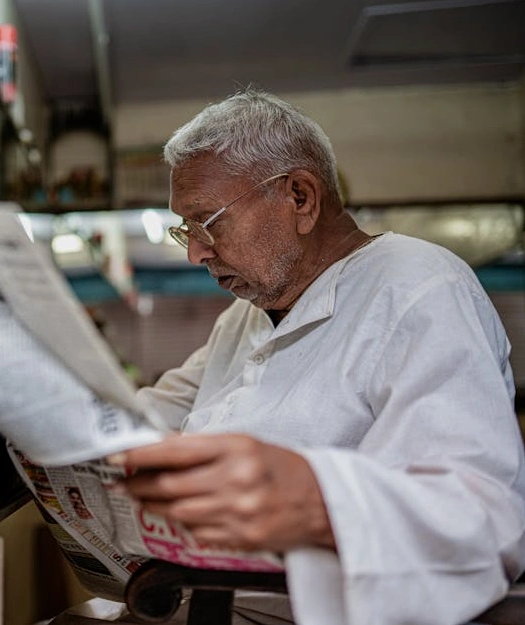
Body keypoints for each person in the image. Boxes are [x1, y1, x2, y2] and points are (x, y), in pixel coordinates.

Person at [108, 89, 525, 625]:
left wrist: (316, 500)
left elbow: (481, 519)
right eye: (186, 229)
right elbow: (151, 417)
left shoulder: (421, 288)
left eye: (207, 222)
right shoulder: (243, 317)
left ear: (301, 198)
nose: (196, 251)